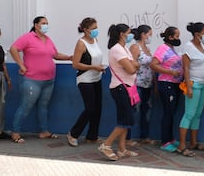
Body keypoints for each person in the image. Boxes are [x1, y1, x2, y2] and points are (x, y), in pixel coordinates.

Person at [9, 16, 72, 143]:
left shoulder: (48, 40)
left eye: (47, 23)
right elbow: (13, 49)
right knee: (26, 106)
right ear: (36, 25)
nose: (46, 25)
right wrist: (21, 65)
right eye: (43, 23)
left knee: (43, 106)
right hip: (31, 79)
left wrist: (69, 57)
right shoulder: (28, 37)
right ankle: (15, 131)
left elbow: (55, 55)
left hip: (49, 80)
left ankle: (44, 131)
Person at [97, 24, 140, 161]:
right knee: (125, 119)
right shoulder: (117, 50)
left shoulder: (124, 48)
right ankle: (106, 144)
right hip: (121, 88)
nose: (131, 35)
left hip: (128, 88)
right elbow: (131, 69)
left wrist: (133, 64)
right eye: (129, 32)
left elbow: (135, 64)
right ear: (122, 34)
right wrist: (133, 65)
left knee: (126, 119)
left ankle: (122, 149)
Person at [177, 22, 204, 157]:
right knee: (189, 114)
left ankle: (193, 142)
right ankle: (182, 145)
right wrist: (189, 87)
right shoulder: (188, 47)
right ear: (197, 34)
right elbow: (186, 68)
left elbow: (201, 63)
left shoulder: (202, 46)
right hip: (194, 84)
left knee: (197, 114)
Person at [67, 18, 106, 147]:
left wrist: (98, 67)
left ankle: (92, 136)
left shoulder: (95, 40)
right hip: (85, 80)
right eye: (93, 28)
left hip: (97, 78)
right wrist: (93, 67)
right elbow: (75, 64)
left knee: (98, 109)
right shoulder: (81, 43)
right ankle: (73, 133)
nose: (96, 30)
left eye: (96, 27)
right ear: (85, 29)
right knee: (90, 108)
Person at [150, 26, 183, 152]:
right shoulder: (162, 49)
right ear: (170, 37)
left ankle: (171, 138)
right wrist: (170, 72)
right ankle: (165, 141)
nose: (178, 39)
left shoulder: (172, 49)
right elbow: (153, 64)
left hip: (175, 85)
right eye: (176, 36)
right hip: (166, 84)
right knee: (168, 113)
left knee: (172, 113)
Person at [128, 24, 156, 145]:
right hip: (137, 84)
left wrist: (155, 84)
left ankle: (145, 136)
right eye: (149, 34)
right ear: (143, 35)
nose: (151, 37)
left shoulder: (148, 50)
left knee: (146, 111)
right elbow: (131, 64)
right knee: (134, 110)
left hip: (148, 84)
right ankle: (127, 138)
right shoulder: (135, 47)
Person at [0, 25, 12, 139]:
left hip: (0, 79)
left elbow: (3, 65)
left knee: (0, 105)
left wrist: (8, 79)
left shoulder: (0, 48)